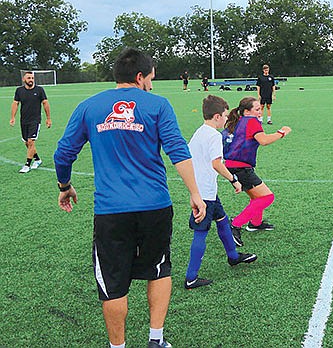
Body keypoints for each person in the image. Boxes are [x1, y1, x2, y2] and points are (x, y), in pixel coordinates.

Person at [54, 48, 206, 348]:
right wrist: (195, 193)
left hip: (111, 211)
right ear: (140, 76)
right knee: (159, 268)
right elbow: (177, 150)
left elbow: (63, 153)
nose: (152, 83)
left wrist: (65, 185)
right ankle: (156, 340)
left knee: (113, 284)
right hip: (155, 206)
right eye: (151, 78)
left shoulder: (89, 106)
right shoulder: (158, 105)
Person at [185, 95, 257, 290]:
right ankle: (191, 277)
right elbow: (217, 163)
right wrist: (234, 180)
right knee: (201, 232)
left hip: (204, 190)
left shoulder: (199, 132)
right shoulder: (214, 136)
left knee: (222, 219)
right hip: (205, 193)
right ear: (217, 116)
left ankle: (233, 256)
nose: (226, 119)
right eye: (225, 115)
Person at [222, 96, 291, 246]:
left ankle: (255, 223)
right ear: (247, 111)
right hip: (241, 167)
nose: (260, 112)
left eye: (260, 109)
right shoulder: (251, 121)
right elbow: (263, 140)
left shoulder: (237, 120)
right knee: (267, 197)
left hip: (231, 165)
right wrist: (282, 132)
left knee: (256, 196)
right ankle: (234, 224)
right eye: (257, 109)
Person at [10, 71, 52, 173]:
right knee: (26, 142)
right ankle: (37, 159)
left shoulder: (39, 90)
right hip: (24, 120)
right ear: (24, 80)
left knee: (31, 141)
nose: (31, 80)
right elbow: (15, 104)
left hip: (35, 120)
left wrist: (48, 118)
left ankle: (27, 165)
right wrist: (12, 117)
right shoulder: (19, 91)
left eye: (32, 78)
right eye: (28, 78)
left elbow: (45, 103)